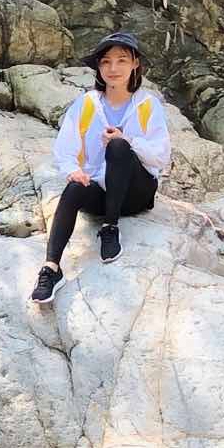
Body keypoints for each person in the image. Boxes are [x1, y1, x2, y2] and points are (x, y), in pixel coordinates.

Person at [32, 31, 170, 307]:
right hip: (100, 192)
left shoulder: (146, 104)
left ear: (135, 64)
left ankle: (110, 227)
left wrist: (127, 140)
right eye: (106, 62)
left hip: (135, 193)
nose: (113, 68)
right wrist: (74, 170)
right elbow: (65, 148)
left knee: (118, 148)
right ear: (98, 67)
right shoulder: (87, 104)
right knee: (73, 187)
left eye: (121, 60)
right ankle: (51, 268)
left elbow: (160, 156)